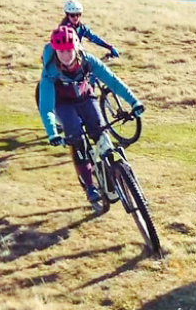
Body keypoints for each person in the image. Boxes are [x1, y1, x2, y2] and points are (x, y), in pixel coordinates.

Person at [38, 26, 144, 205]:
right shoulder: (50, 71)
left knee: (100, 132)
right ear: (55, 51)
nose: (66, 55)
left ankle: (115, 170)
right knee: (76, 139)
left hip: (86, 97)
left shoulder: (87, 60)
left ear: (76, 47)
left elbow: (112, 81)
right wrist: (52, 133)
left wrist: (134, 102)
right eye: (61, 51)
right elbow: (46, 107)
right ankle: (89, 187)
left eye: (69, 50)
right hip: (63, 105)